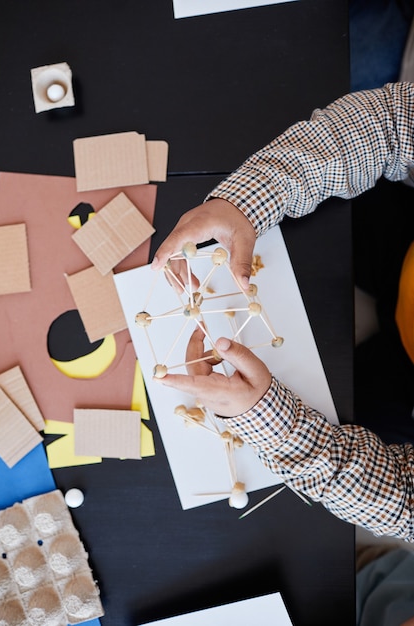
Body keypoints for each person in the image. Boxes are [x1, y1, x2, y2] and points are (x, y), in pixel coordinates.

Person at [151, 82, 414, 542]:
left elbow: (404, 500)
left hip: (401, 389)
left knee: (350, 407)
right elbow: (394, 122)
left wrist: (269, 422)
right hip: (401, 249)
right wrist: (245, 204)